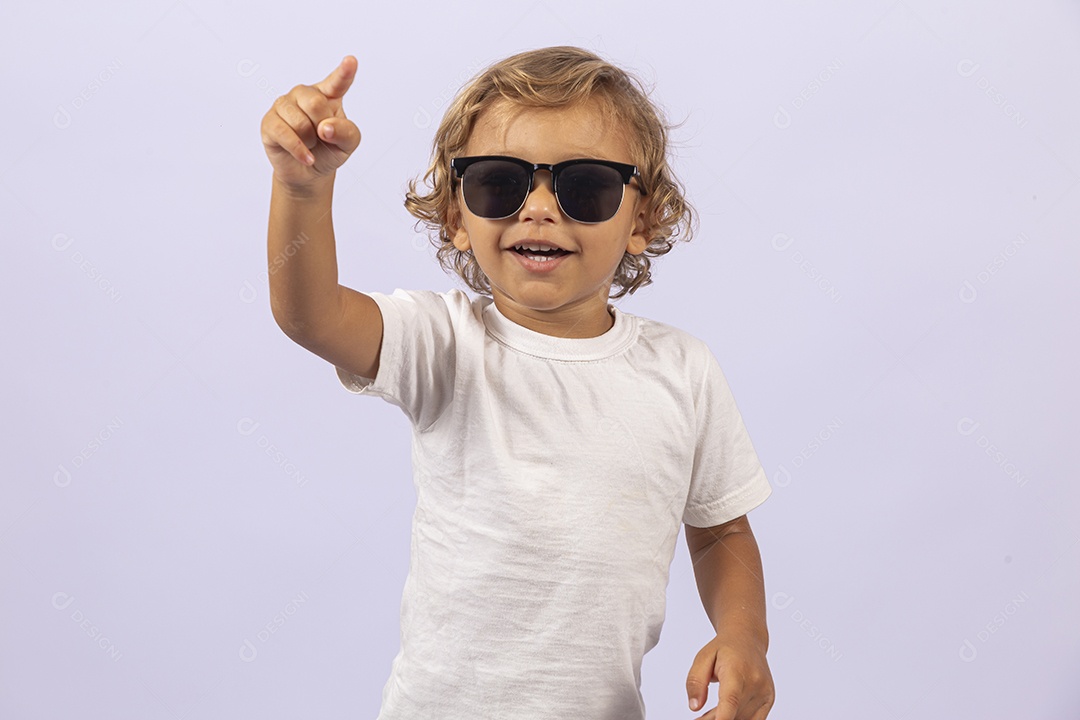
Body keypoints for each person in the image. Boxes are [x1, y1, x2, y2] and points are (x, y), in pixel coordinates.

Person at [260, 46, 775, 720]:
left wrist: (744, 636)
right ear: (457, 217)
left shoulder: (683, 370)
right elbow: (312, 315)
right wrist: (302, 189)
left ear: (642, 220)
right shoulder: (442, 341)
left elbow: (719, 531)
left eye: (585, 187)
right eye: (500, 183)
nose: (537, 209)